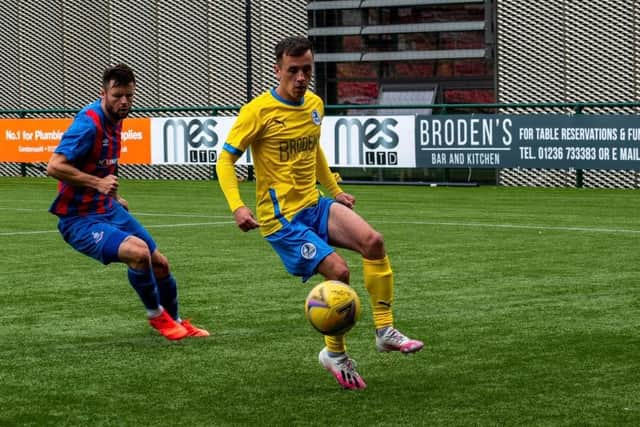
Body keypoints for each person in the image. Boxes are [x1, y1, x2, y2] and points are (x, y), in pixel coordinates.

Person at [216, 36, 423, 390]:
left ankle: (384, 329)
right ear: (277, 69)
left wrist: (336, 190)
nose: (301, 77)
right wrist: (237, 205)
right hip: (281, 220)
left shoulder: (314, 104)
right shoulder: (257, 112)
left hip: (315, 204)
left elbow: (315, 152)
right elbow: (225, 159)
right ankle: (336, 355)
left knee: (374, 242)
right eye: (293, 70)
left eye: (306, 70)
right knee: (339, 273)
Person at [47, 64, 209, 341]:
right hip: (79, 218)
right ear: (103, 93)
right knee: (139, 252)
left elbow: (104, 164)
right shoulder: (88, 123)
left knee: (161, 264)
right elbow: (54, 166)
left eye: (129, 96)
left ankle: (176, 321)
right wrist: (98, 184)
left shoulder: (117, 119)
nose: (124, 102)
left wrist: (112, 196)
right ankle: (156, 316)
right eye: (117, 95)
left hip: (106, 208)